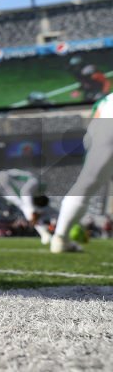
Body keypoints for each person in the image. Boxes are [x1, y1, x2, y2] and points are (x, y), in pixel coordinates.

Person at [51, 93, 113, 253]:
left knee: (86, 184)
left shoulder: (105, 100)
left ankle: (61, 237)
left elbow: (90, 137)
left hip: (105, 124)